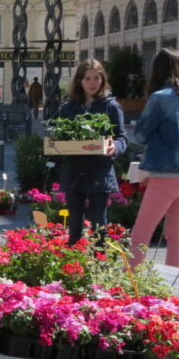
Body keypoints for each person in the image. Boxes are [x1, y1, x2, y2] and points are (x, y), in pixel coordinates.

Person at [130, 48, 179, 268]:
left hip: (167, 173)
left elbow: (141, 135)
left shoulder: (160, 98)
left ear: (157, 69)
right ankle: (174, 289)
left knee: (141, 234)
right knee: (176, 234)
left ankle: (126, 285)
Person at [55, 59, 127, 245]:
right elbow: (59, 137)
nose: (93, 83)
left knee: (98, 224)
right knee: (75, 223)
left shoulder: (110, 106)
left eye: (97, 78)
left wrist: (115, 147)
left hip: (99, 170)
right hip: (74, 171)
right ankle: (74, 265)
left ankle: (99, 264)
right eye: (88, 79)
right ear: (80, 81)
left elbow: (122, 137)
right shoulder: (67, 108)